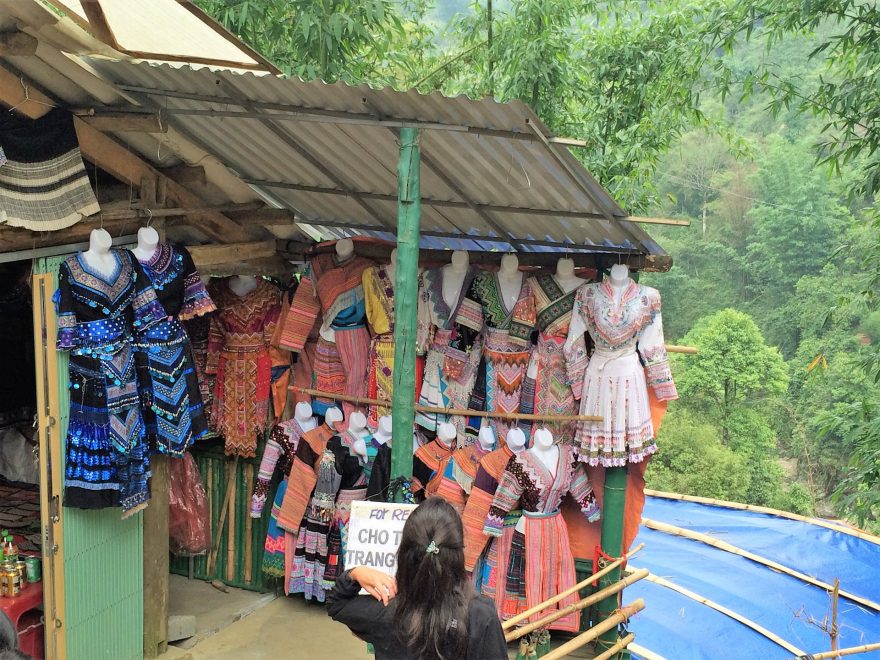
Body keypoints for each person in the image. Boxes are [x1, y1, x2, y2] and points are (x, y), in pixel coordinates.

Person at [326, 497, 508, 660]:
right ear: (458, 556)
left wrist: (355, 573)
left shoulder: (384, 611)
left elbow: (336, 603)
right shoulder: (481, 616)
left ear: (404, 555)